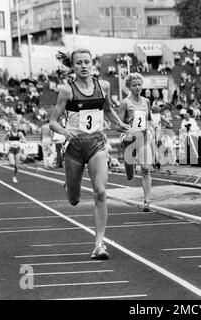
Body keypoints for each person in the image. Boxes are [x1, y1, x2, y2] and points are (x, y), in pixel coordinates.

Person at [50, 49, 131, 260]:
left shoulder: (103, 86)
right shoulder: (67, 91)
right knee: (75, 200)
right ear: (73, 66)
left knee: (101, 192)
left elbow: (108, 110)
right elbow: (53, 121)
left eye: (87, 62)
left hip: (96, 143)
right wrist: (64, 131)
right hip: (75, 146)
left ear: (92, 64)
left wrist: (119, 124)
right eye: (79, 63)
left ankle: (99, 245)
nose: (83, 66)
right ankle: (69, 186)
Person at [117, 73, 155, 212]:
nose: (137, 87)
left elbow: (149, 118)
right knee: (129, 176)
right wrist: (125, 128)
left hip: (143, 138)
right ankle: (130, 167)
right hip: (130, 140)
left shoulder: (146, 101)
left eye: (139, 84)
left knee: (146, 169)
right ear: (129, 87)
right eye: (134, 85)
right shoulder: (125, 103)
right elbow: (117, 125)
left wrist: (152, 129)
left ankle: (147, 202)